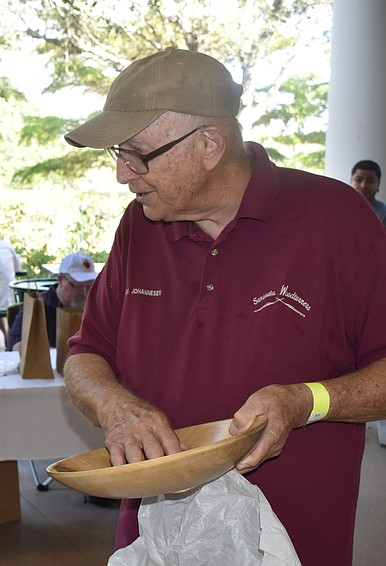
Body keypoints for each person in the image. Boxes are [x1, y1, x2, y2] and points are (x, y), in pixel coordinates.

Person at [61, 48, 386, 566]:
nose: (123, 174)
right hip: (155, 535)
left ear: (210, 143)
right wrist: (115, 406)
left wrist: (304, 400)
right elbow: (85, 354)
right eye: (118, 153)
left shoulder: (337, 221)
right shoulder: (139, 227)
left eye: (137, 153)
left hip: (293, 540)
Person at [6, 252, 96, 352]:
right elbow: (14, 342)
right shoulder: (39, 305)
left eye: (89, 286)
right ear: (61, 280)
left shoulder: (95, 307)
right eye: (77, 286)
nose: (84, 292)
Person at [0, 236, 22, 343]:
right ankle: (8, 336)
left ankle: (7, 336)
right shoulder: (7, 246)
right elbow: (18, 268)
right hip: (9, 293)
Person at [350, 159, 386, 225]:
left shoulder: (384, 212)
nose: (363, 186)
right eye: (358, 180)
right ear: (351, 181)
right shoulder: (340, 208)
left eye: (370, 181)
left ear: (378, 184)